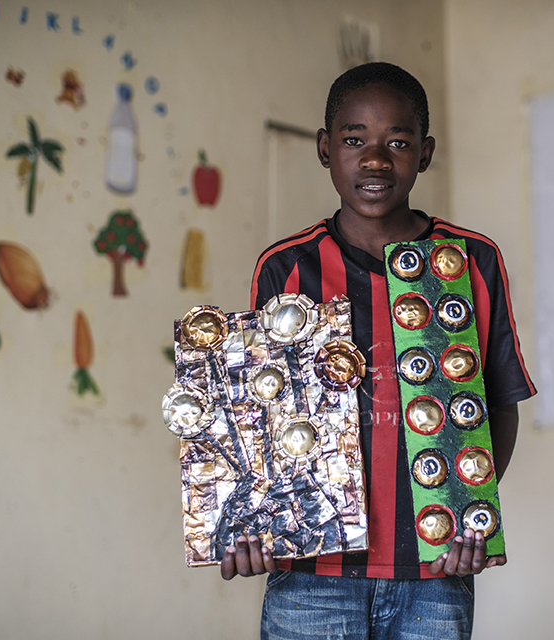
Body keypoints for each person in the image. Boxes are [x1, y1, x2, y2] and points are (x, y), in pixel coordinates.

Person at [225, 62, 536, 639]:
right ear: (324, 149)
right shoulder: (287, 269)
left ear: (425, 152)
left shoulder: (471, 261)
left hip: (435, 568)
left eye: (397, 141)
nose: (375, 159)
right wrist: (249, 522)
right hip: (311, 572)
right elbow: (257, 419)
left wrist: (470, 515)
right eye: (353, 140)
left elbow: (500, 402)